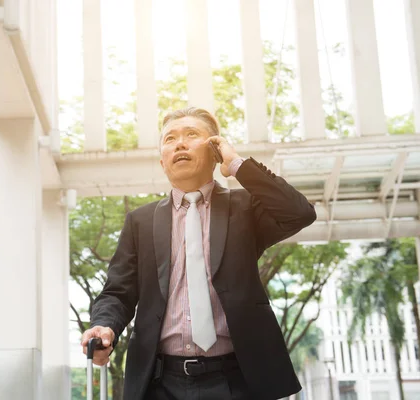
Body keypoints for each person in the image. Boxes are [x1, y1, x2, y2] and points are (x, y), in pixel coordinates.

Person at [81, 107, 317, 400]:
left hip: (237, 380)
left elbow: (299, 214)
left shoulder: (244, 208)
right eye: (170, 138)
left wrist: (238, 165)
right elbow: (118, 291)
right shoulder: (140, 221)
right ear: (162, 161)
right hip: (159, 383)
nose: (179, 143)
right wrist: (104, 325)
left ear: (216, 150)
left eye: (191, 135)